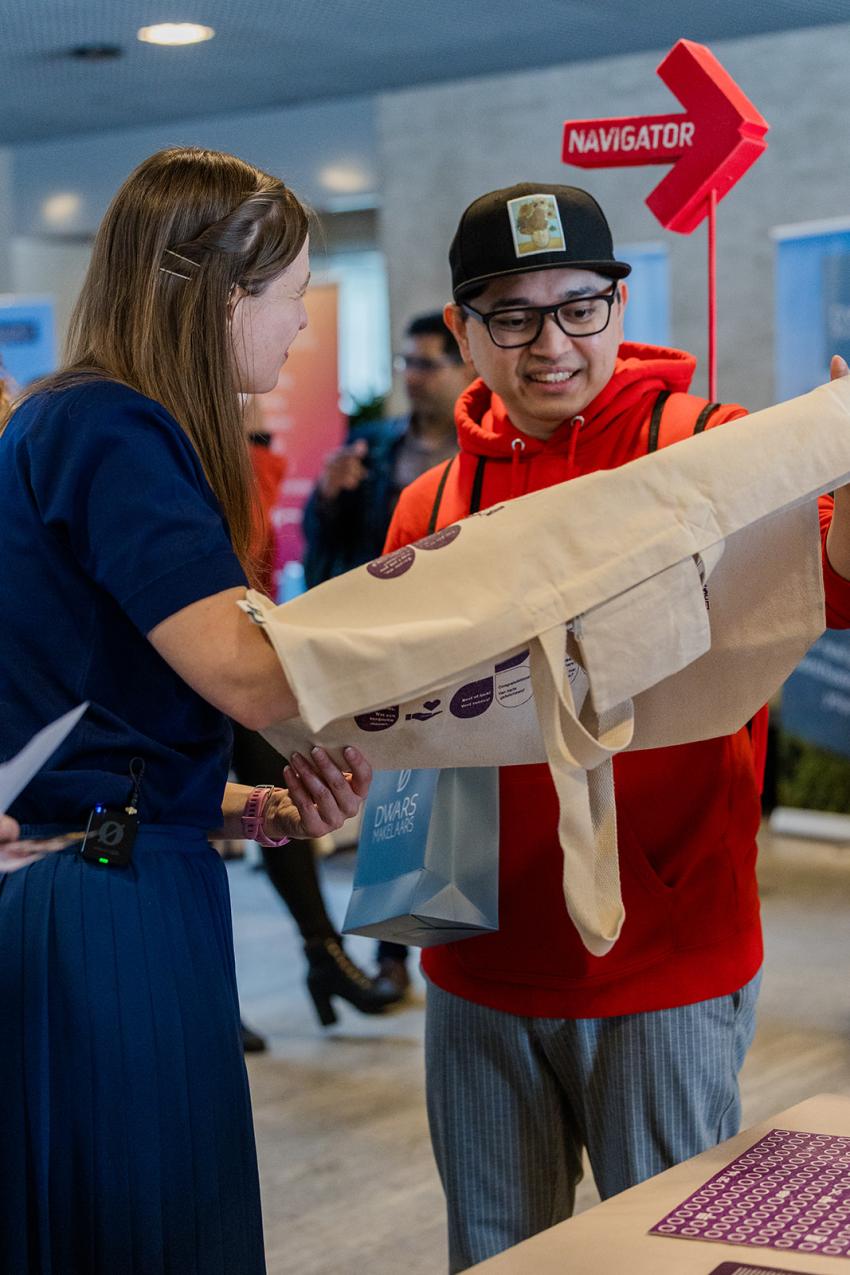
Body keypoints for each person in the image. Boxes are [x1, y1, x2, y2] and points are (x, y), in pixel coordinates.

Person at [383, 182, 850, 1272]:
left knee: (664, 1258)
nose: (551, 344)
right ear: (464, 330)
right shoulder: (434, 504)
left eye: (578, 307)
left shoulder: (709, 452)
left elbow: (836, 581)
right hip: (476, 958)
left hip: (666, 961)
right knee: (495, 1254)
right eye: (512, 316)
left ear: (617, 303)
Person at [0, 146, 373, 1275]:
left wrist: (240, 803)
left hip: (113, 871)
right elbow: (249, 677)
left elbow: (88, 716)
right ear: (218, 293)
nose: (299, 328)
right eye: (289, 297)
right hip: (105, 907)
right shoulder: (112, 427)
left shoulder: (73, 420)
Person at [302, 311, 472, 996]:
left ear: (466, 367)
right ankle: (396, 955)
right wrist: (327, 494)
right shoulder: (373, 445)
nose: (413, 376)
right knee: (395, 799)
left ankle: (462, 934)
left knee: (467, 798)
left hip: (469, 646)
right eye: (406, 362)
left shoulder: (484, 449)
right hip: (389, 647)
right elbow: (333, 547)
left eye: (428, 363)